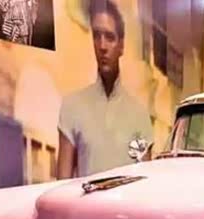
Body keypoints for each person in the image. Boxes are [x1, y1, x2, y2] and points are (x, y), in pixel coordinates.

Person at [57, 0, 153, 178]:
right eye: (97, 36)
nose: (102, 46)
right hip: (83, 197)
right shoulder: (72, 107)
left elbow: (144, 185)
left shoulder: (139, 115)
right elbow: (61, 184)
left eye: (109, 37)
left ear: (121, 45)